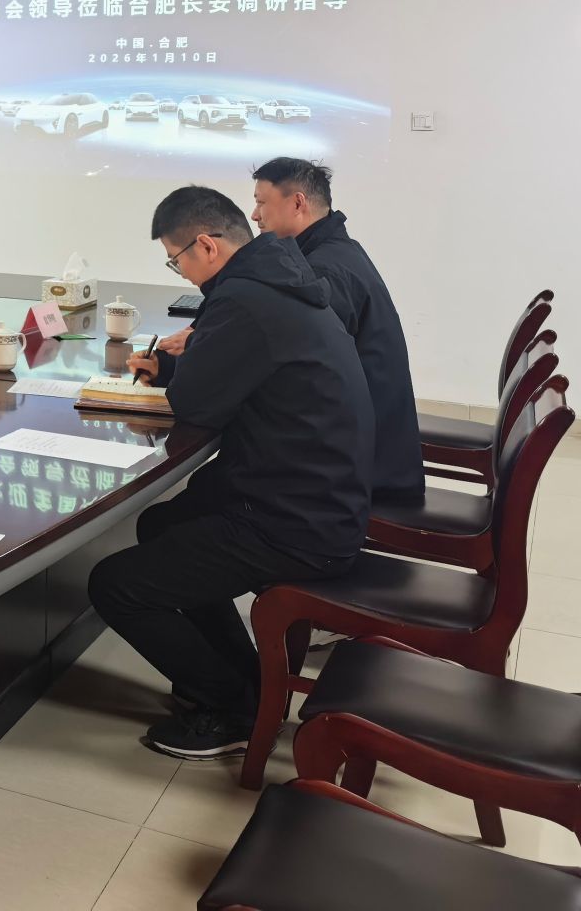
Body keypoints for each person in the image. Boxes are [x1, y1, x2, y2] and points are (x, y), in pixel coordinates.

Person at [85, 185, 372, 761]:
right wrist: (173, 368)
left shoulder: (243, 299)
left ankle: (232, 709)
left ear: (207, 246)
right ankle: (248, 682)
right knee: (161, 526)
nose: (182, 272)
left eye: (176, 260)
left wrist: (176, 375)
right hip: (317, 496)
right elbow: (232, 373)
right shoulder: (278, 278)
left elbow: (199, 404)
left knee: (113, 585)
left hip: (295, 523)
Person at [252, 157, 424, 503]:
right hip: (373, 445)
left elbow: (294, 369)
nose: (255, 215)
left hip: (363, 471)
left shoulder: (324, 271)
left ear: (297, 203)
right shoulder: (334, 251)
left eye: (261, 203)